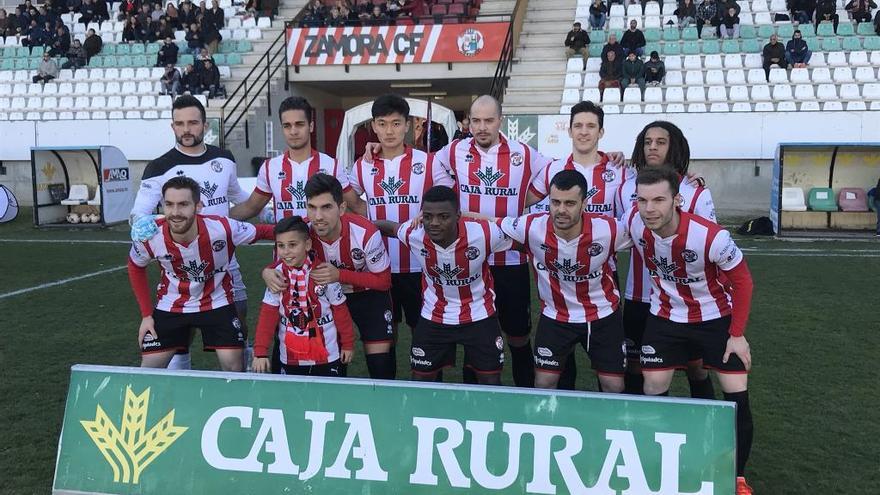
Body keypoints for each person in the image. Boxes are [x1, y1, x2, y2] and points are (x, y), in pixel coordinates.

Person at [623, 166, 755, 495]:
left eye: (658, 200)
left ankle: (736, 477)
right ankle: (659, 466)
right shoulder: (633, 223)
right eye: (642, 200)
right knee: (652, 384)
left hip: (714, 317)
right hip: (665, 317)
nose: (649, 208)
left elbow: (742, 281)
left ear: (677, 200)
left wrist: (736, 334)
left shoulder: (710, 236)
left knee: (735, 390)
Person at [129, 95, 251, 371]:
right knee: (180, 332)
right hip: (182, 264)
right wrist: (146, 225)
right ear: (172, 127)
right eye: (180, 124)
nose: (187, 129)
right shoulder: (159, 167)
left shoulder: (224, 159)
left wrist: (266, 210)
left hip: (224, 261)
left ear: (204, 125)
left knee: (239, 318)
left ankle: (244, 378)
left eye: (193, 123)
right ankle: (180, 376)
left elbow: (238, 199)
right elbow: (139, 214)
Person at [347, 95, 455, 369]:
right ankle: (388, 394)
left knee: (425, 332)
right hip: (379, 267)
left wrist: (429, 213)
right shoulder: (363, 165)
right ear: (373, 127)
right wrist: (365, 216)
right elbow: (348, 200)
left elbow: (449, 196)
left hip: (420, 266)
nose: (389, 131)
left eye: (396, 123)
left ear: (407, 125)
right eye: (382, 124)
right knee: (386, 335)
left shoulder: (427, 162)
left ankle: (431, 390)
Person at [522, 103, 625, 389]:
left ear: (601, 131)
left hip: (601, 273)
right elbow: (521, 202)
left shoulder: (618, 170)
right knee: (559, 361)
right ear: (569, 130)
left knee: (606, 359)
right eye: (578, 125)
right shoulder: (553, 169)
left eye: (590, 126)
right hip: (558, 274)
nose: (583, 131)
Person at [128, 176, 275, 372]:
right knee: (148, 370)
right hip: (172, 305)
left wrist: (307, 227)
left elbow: (265, 232)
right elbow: (135, 266)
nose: (175, 212)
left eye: (183, 204)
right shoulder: (151, 235)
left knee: (234, 367)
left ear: (198, 207)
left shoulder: (223, 228)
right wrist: (147, 315)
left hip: (217, 301)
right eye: (169, 204)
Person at [500, 170, 629, 391]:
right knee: (543, 384)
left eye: (570, 203)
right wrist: (456, 213)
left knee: (613, 386)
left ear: (584, 203)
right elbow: (490, 223)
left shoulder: (609, 229)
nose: (561, 210)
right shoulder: (531, 226)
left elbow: (648, 234)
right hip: (555, 316)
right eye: (555, 202)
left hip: (602, 316)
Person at [615, 121, 718, 400]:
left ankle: (703, 429)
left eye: (661, 142)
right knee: (637, 367)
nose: (653, 147)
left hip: (685, 300)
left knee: (696, 368)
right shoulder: (625, 188)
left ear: (674, 145)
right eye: (648, 141)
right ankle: (638, 427)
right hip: (638, 295)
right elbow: (618, 232)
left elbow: (711, 246)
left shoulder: (695, 190)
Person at [373, 186, 511, 385]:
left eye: (443, 216)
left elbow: (523, 240)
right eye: (428, 216)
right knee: (420, 382)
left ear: (458, 216)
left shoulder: (485, 233)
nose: (434, 223)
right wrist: (359, 226)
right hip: (434, 317)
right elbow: (389, 227)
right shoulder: (414, 233)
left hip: (479, 315)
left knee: (490, 382)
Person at [299, 174, 395, 379]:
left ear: (341, 208)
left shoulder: (365, 232)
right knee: (332, 365)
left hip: (368, 295)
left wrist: (339, 275)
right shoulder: (302, 232)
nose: (318, 216)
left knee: (380, 366)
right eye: (312, 207)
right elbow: (281, 257)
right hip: (326, 298)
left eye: (326, 207)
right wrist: (268, 270)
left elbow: (383, 281)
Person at [230, 96, 360, 223]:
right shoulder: (270, 167)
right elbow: (251, 207)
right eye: (287, 126)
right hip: (286, 244)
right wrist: (214, 221)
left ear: (311, 126)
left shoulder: (331, 165)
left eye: (299, 124)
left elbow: (356, 206)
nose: (293, 131)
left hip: (323, 245)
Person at [252, 216, 355, 376]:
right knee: (291, 399)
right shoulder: (276, 276)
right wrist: (260, 352)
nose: (286, 251)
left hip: (328, 354)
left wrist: (347, 344)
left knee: (328, 398)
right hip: (290, 355)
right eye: (281, 245)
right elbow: (267, 315)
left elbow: (341, 312)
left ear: (307, 244)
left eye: (292, 245)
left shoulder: (324, 273)